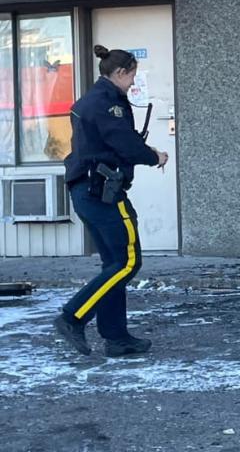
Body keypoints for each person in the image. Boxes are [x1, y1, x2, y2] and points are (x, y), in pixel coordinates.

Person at [52, 45, 168, 357]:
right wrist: (155, 155)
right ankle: (72, 317)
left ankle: (116, 337)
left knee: (113, 264)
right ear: (120, 73)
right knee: (127, 262)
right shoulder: (107, 104)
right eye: (132, 76)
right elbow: (127, 146)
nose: (133, 82)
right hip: (104, 194)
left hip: (87, 192)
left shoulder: (91, 100)